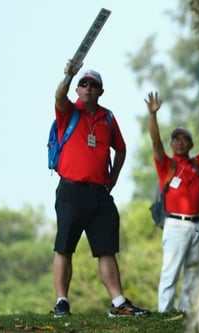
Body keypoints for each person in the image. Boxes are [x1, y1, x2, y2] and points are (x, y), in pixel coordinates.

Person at [52, 61, 150, 318]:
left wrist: (114, 177)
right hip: (71, 191)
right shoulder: (68, 111)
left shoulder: (107, 117)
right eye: (83, 84)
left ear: (100, 91)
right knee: (64, 247)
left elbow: (121, 148)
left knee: (106, 248)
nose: (87, 88)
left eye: (92, 85)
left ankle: (118, 303)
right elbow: (59, 96)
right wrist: (69, 75)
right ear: (77, 89)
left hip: (99, 194)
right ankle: (62, 302)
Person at [145, 91, 199, 313]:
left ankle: (185, 312)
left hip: (197, 225)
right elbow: (154, 140)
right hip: (176, 225)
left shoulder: (198, 163)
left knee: (193, 270)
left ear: (191, 143)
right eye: (176, 138)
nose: (180, 142)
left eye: (184, 138)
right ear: (171, 143)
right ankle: (164, 312)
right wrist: (153, 115)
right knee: (170, 271)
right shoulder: (167, 165)